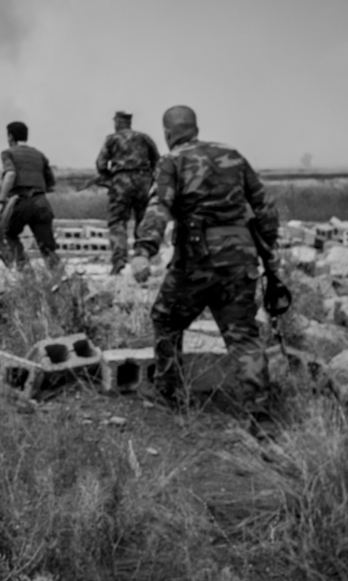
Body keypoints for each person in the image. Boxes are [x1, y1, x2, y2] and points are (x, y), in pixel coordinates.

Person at [130, 106, 280, 419]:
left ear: (168, 133)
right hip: (241, 257)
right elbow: (265, 206)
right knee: (243, 336)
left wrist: (144, 250)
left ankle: (167, 392)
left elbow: (160, 206)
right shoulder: (234, 155)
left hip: (197, 260)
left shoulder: (172, 160)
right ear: (195, 128)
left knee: (166, 319)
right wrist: (268, 247)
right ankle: (261, 414)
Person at [96, 110, 160, 275]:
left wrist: (109, 178)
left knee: (117, 222)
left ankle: (119, 262)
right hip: (143, 182)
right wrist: (149, 178)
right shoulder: (144, 138)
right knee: (142, 221)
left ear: (117, 122)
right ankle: (142, 261)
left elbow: (101, 164)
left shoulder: (112, 139)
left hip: (121, 183)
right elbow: (157, 161)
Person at [0, 121, 59, 269]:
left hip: (21, 202)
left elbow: (10, 174)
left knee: (8, 233)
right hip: (42, 202)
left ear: (10, 136)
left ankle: (24, 268)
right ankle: (59, 279)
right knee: (48, 247)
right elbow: (51, 183)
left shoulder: (8, 153)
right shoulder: (39, 154)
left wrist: (1, 202)